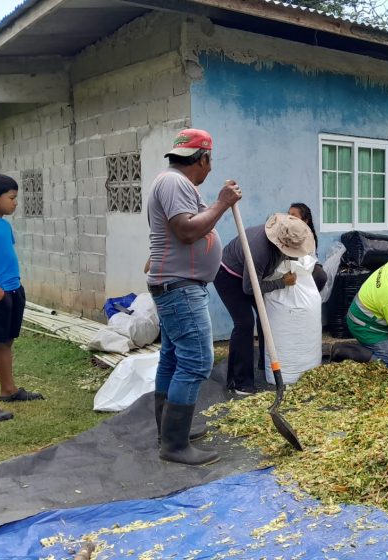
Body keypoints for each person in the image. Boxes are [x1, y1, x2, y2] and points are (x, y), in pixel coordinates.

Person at [147, 129, 241, 466]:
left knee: (173, 358)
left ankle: (170, 432)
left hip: (178, 284)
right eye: (209, 161)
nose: (211, 169)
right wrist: (222, 203)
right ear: (202, 159)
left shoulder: (174, 183)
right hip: (180, 286)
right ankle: (173, 444)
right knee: (197, 360)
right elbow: (187, 230)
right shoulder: (175, 184)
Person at [215, 213, 314, 395]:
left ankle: (265, 362)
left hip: (251, 276)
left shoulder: (284, 240)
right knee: (244, 323)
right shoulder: (259, 250)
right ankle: (240, 382)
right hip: (228, 275)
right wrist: (281, 283)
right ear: (281, 244)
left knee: (265, 314)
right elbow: (249, 288)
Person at [0, 174, 44, 422]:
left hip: (11, 291)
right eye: (12, 198)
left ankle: (8, 390)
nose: (15, 203)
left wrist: (12, 289)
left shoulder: (4, 225)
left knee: (5, 341)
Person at [288, 202, 327, 292]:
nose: (289, 218)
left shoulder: (309, 236)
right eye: (288, 214)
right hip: (288, 266)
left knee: (320, 276)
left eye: (293, 216)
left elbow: (306, 260)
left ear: (305, 221)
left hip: (307, 266)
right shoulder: (283, 233)